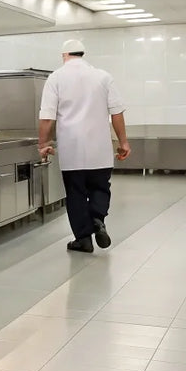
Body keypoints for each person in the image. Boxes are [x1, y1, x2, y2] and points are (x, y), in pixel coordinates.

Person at [38, 39, 130, 253]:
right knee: (100, 187)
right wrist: (123, 142)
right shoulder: (103, 77)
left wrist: (43, 143)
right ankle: (98, 218)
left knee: (76, 193)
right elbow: (117, 112)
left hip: (72, 150)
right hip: (100, 149)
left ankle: (83, 239)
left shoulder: (56, 78)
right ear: (83, 54)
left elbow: (47, 117)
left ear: (64, 55)